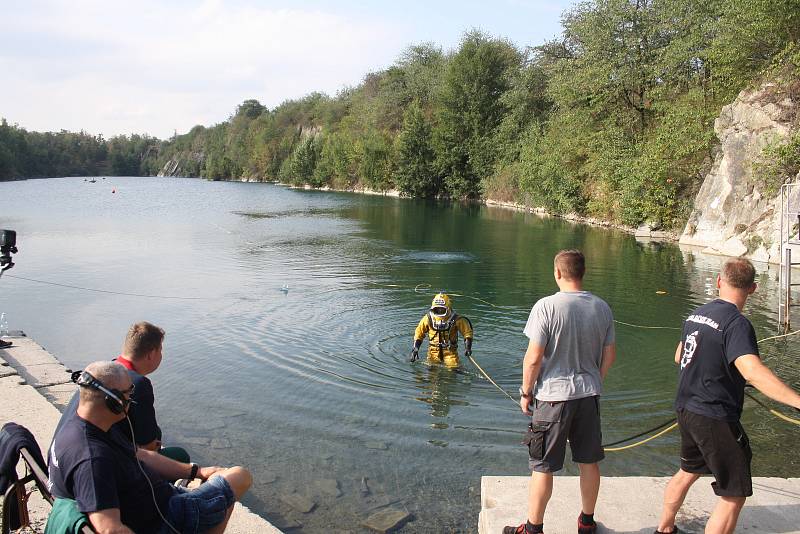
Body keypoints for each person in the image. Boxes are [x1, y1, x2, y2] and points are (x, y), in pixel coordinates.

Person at [654, 258, 800, 534]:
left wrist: (723, 371)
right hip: (714, 416)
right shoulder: (737, 324)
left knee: (688, 471)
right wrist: (797, 401)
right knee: (734, 493)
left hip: (686, 409)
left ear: (719, 282)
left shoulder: (695, 315)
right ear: (753, 289)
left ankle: (664, 528)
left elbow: (679, 356)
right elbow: (753, 371)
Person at [48, 361, 252, 534]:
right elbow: (109, 528)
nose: (131, 400)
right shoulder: (92, 458)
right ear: (115, 402)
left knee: (216, 478)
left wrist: (197, 471)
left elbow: (142, 455)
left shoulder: (85, 427)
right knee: (239, 476)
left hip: (160, 501)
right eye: (129, 393)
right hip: (165, 518)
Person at [505, 249, 616, 534]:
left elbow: (532, 358)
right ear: (583, 272)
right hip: (588, 396)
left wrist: (525, 392)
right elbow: (610, 354)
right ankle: (587, 522)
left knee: (542, 466)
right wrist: (595, 381)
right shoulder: (601, 307)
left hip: (553, 399)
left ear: (557, 273)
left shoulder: (546, 306)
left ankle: (533, 529)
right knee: (589, 461)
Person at [54, 321, 189, 462]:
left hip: (63, 454)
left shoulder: (103, 372)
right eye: (160, 350)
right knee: (180, 455)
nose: (161, 355)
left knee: (156, 431)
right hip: (95, 459)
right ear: (151, 354)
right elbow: (149, 448)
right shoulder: (137, 384)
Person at [410, 292, 473, 368]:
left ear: (448, 308)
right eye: (437, 309)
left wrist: (468, 348)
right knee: (432, 372)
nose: (439, 311)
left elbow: (467, 332)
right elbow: (419, 333)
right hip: (433, 352)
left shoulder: (457, 319)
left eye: (442, 309)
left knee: (453, 369)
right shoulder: (428, 318)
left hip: (450, 352)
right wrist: (416, 348)